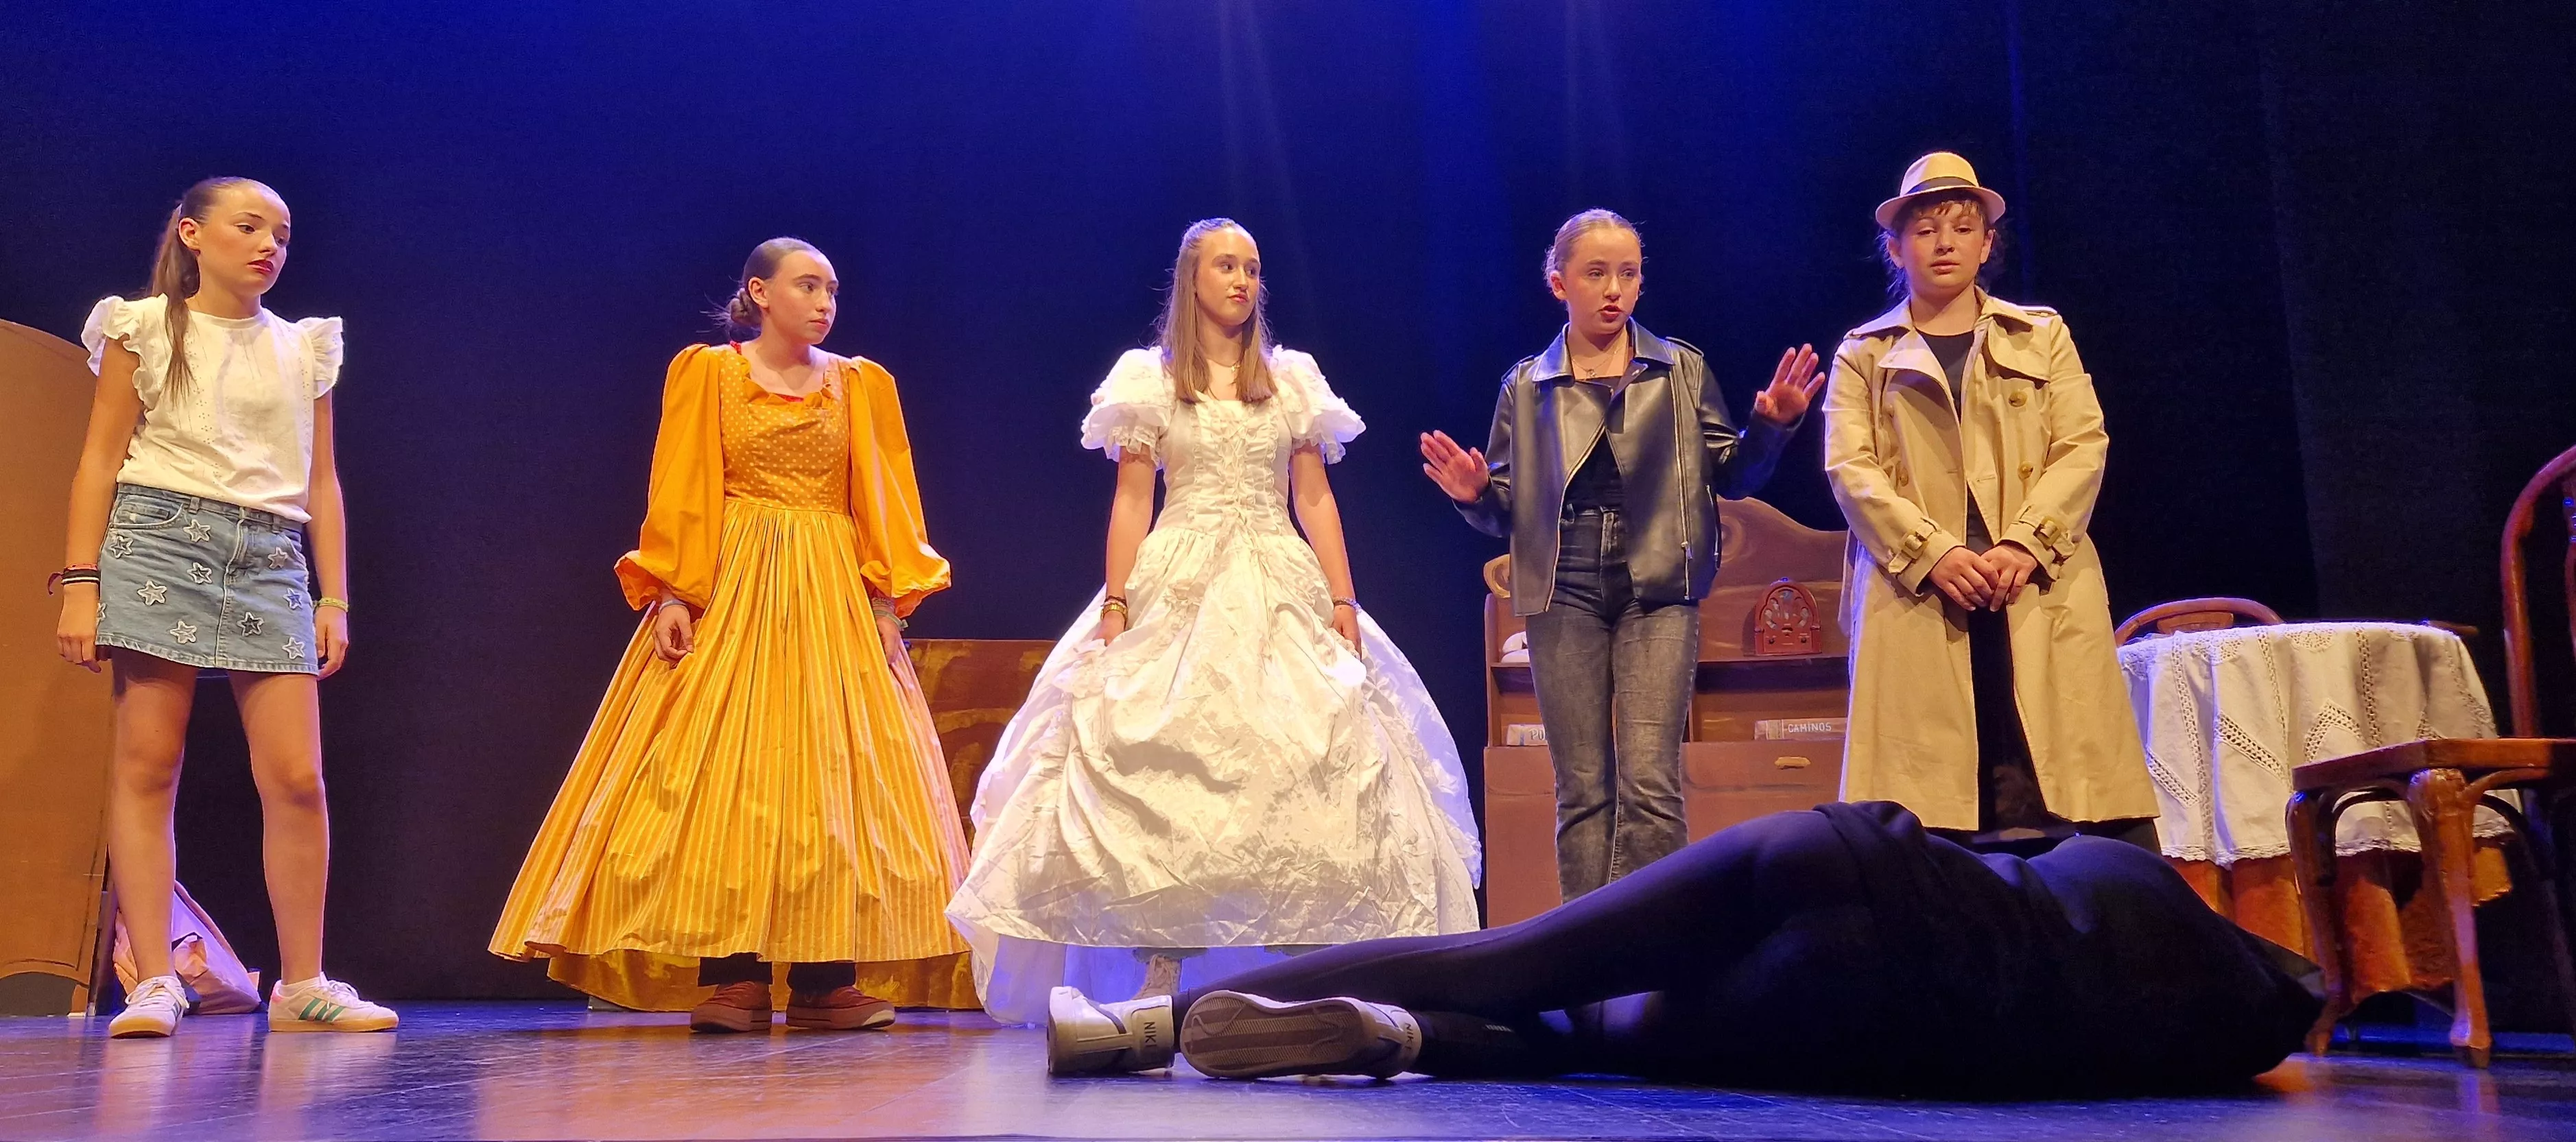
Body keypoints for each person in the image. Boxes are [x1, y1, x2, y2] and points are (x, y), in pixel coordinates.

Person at [948, 218, 1482, 1023]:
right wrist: (1118, 600)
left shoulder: (1290, 378)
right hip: (1180, 574)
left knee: (1310, 757)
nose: (1240, 280)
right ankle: (1160, 974)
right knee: (1165, 761)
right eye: (1225, 266)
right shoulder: (1150, 378)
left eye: (1251, 268)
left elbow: (1313, 498)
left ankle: (1313, 975)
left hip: (1277, 575)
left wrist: (1342, 601)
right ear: (1191, 279)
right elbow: (1132, 498)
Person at [490, 238, 972, 1032]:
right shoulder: (709, 373)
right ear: (759, 292)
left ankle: (825, 979)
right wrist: (675, 589)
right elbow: (681, 481)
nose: (824, 302)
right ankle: (733, 975)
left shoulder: (859, 385)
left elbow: (884, 496)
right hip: (736, 576)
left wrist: (888, 602)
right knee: (724, 771)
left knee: (832, 774)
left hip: (829, 584)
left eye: (832, 290)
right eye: (807, 285)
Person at [1043, 802, 2322, 1094]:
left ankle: (1145, 1024)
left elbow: (1995, 842)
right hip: (1892, 1013)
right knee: (1599, 1045)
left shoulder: (2135, 873)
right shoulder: (2212, 1032)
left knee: (1520, 952)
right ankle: (1405, 1043)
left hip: (1849, 857)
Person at [56, 176, 395, 1037]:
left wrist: (335, 595)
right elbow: (99, 459)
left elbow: (322, 479)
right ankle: (155, 983)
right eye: (248, 227)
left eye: (281, 235)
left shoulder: (305, 346)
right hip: (160, 539)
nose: (268, 247)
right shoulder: (142, 327)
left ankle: (303, 984)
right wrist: (81, 581)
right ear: (192, 234)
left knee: (296, 778)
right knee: (148, 765)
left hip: (268, 552)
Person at [1419, 209, 1821, 901]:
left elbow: (1733, 475)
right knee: (1580, 788)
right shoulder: (1528, 385)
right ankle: (1588, 957)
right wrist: (1473, 492)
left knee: (1649, 782)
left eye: (1627, 274)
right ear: (1559, 284)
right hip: (1564, 584)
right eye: (1595, 273)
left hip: (1657, 584)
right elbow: (1503, 511)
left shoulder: (1679, 369)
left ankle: (1652, 951)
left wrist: (1771, 426)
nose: (1613, 289)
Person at [1821, 152, 2158, 846]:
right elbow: (1850, 468)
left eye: (1960, 227)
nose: (1943, 242)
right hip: (1918, 591)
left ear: (1985, 244)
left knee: (2060, 785)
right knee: (1931, 804)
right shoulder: (1863, 353)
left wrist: (2024, 542)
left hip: (2032, 587)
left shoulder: (2040, 334)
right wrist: (1932, 551)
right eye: (1924, 229)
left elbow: (2081, 443)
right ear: (1894, 247)